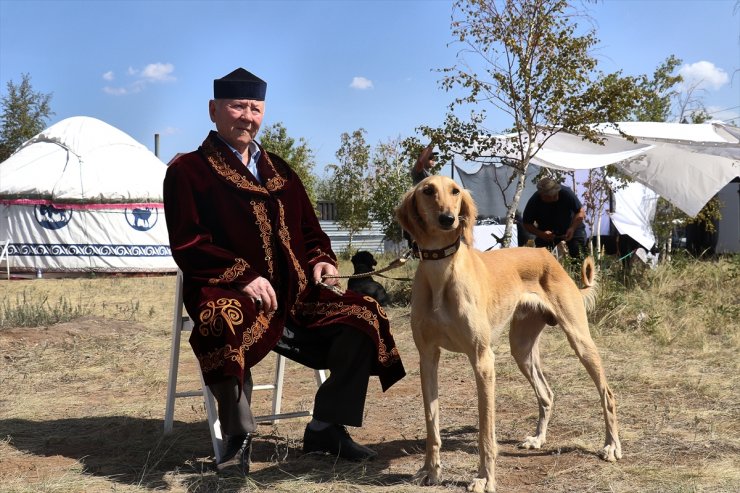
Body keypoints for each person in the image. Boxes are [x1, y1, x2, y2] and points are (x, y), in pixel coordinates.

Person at [163, 68, 405, 475]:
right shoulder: (188, 171)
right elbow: (189, 243)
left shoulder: (282, 172)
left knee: (366, 314)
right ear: (213, 110)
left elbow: (311, 233)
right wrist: (242, 275)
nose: (247, 116)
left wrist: (322, 260)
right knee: (224, 318)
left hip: (296, 293)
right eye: (237, 106)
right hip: (227, 289)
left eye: (255, 108)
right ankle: (237, 438)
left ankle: (327, 426)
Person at [522, 177, 587, 257]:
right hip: (547, 233)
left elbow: (580, 212)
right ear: (542, 196)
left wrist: (572, 228)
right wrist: (541, 234)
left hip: (572, 227)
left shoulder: (566, 193)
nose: (554, 198)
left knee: (578, 252)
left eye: (555, 194)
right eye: (550, 197)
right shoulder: (534, 201)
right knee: (542, 257)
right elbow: (527, 224)